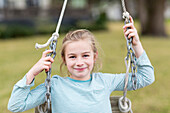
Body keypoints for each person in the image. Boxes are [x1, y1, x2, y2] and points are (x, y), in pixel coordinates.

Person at [8, 16, 155, 113]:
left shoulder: (105, 81)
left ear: (94, 57)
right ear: (64, 59)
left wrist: (136, 45)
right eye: (72, 57)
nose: (79, 62)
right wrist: (32, 72)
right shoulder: (55, 85)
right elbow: (16, 105)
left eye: (85, 55)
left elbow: (146, 77)